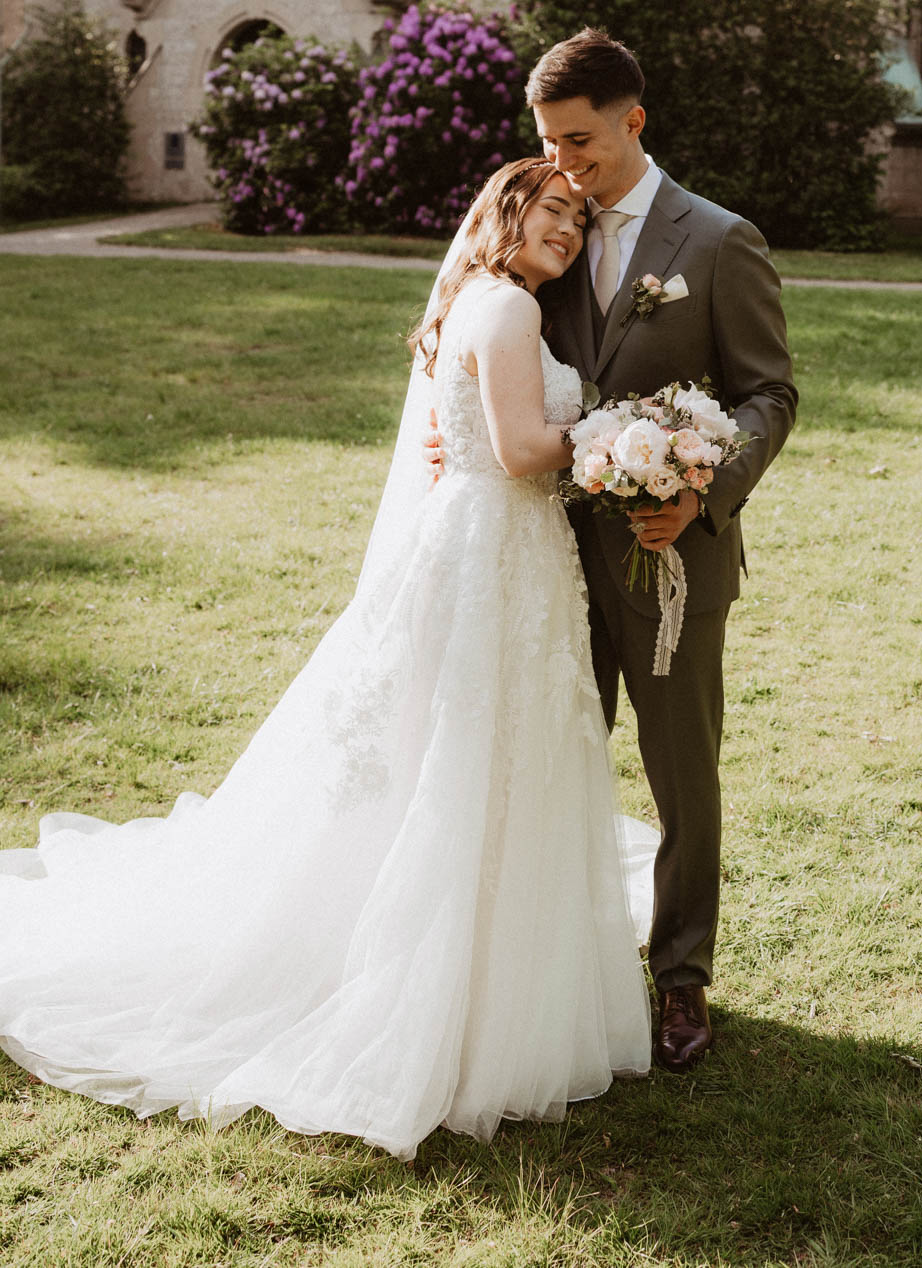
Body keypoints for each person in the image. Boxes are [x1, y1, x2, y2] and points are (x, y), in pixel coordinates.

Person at [0, 158, 652, 1158]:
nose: (567, 228)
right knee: (479, 757)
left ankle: (463, 967)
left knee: (459, 755)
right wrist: (618, 436)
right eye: (550, 209)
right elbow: (522, 450)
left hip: (489, 547)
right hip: (497, 544)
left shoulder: (476, 299)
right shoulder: (511, 312)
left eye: (578, 214)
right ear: (506, 213)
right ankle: (457, 989)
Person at [431, 31, 798, 1072]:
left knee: (682, 776)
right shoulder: (546, 232)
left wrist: (701, 489)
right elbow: (484, 339)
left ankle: (680, 980)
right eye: (548, 141)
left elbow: (769, 393)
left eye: (581, 140)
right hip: (543, 562)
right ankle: (556, 968)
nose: (565, 162)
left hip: (669, 559)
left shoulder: (719, 242)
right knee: (549, 762)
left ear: (635, 121)